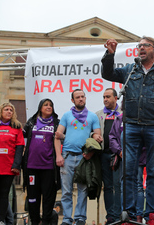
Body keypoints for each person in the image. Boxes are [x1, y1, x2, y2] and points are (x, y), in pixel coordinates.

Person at [102, 37, 154, 225]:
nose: (141, 48)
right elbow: (107, 73)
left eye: (145, 45)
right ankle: (129, 215)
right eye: (138, 46)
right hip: (131, 125)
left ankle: (152, 216)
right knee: (129, 173)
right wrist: (109, 54)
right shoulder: (130, 70)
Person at [54, 89, 101, 225]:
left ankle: (80, 218)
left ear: (85, 98)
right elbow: (57, 136)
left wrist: (90, 153)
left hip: (83, 158)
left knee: (83, 189)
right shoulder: (66, 115)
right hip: (67, 156)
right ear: (72, 100)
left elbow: (97, 139)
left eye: (82, 96)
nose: (81, 99)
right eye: (77, 97)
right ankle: (67, 219)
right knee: (66, 190)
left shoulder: (92, 117)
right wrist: (58, 155)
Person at [22, 98, 61, 225]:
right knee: (33, 198)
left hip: (49, 167)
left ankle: (45, 222)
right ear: (40, 108)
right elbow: (21, 139)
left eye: (51, 105)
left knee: (48, 198)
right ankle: (34, 221)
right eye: (46, 105)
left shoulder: (57, 123)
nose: (49, 107)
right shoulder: (31, 122)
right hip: (31, 166)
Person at [108, 112, 147, 223]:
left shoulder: (140, 117)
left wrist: (134, 151)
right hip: (123, 158)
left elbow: (145, 138)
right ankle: (126, 214)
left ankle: (138, 215)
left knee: (139, 186)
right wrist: (120, 151)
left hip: (138, 158)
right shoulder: (119, 119)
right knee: (123, 185)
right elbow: (112, 138)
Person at [95, 88, 122, 225]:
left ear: (116, 98)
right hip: (104, 155)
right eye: (104, 97)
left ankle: (119, 215)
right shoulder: (98, 114)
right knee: (107, 186)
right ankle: (111, 216)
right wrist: (94, 136)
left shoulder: (123, 114)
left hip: (119, 155)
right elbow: (92, 133)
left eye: (108, 96)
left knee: (118, 185)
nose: (105, 99)